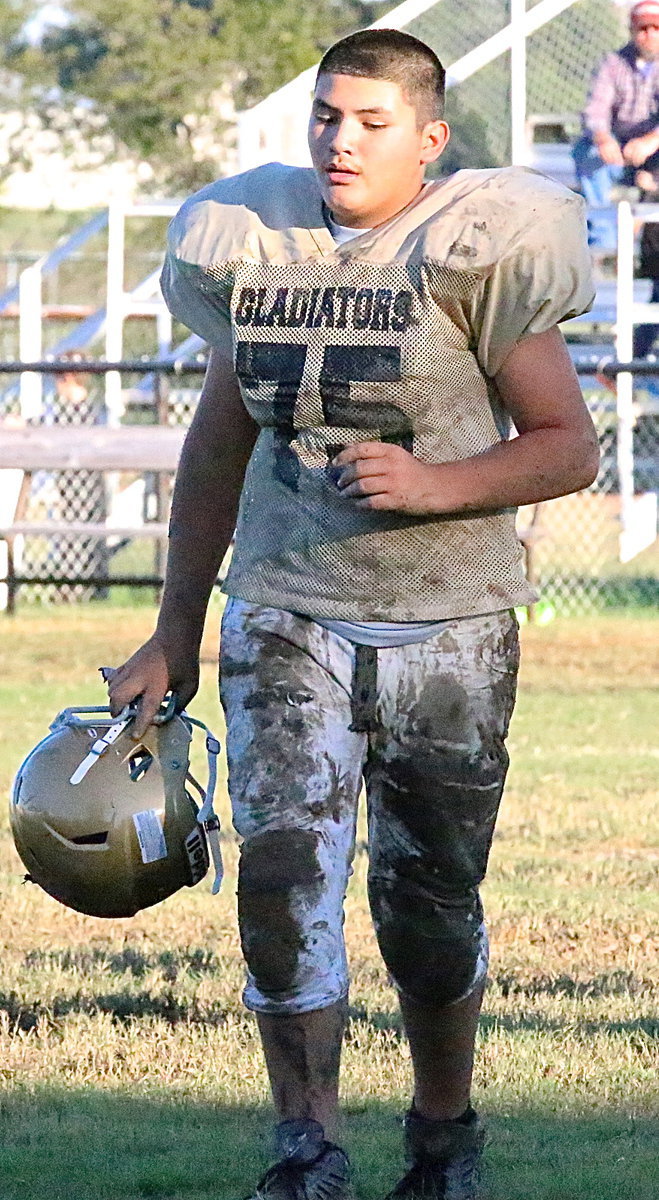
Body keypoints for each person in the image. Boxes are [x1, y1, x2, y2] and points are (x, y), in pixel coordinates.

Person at [107, 29, 600, 1200]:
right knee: (280, 885)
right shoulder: (256, 242)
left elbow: (567, 447)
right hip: (285, 609)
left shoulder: (476, 249)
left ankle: (441, 1133)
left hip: (450, 620)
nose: (340, 138)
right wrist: (175, 628)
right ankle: (307, 1147)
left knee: (426, 904)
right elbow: (216, 447)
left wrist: (436, 485)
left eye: (371, 121)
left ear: (428, 139)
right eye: (327, 115)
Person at [573, 1, 659, 248]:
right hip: (619, 150)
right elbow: (595, 110)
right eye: (643, 28)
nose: (650, 34)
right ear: (632, 31)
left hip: (655, 153)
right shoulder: (613, 64)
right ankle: (606, 245)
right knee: (586, 152)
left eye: (656, 28)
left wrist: (652, 140)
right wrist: (603, 138)